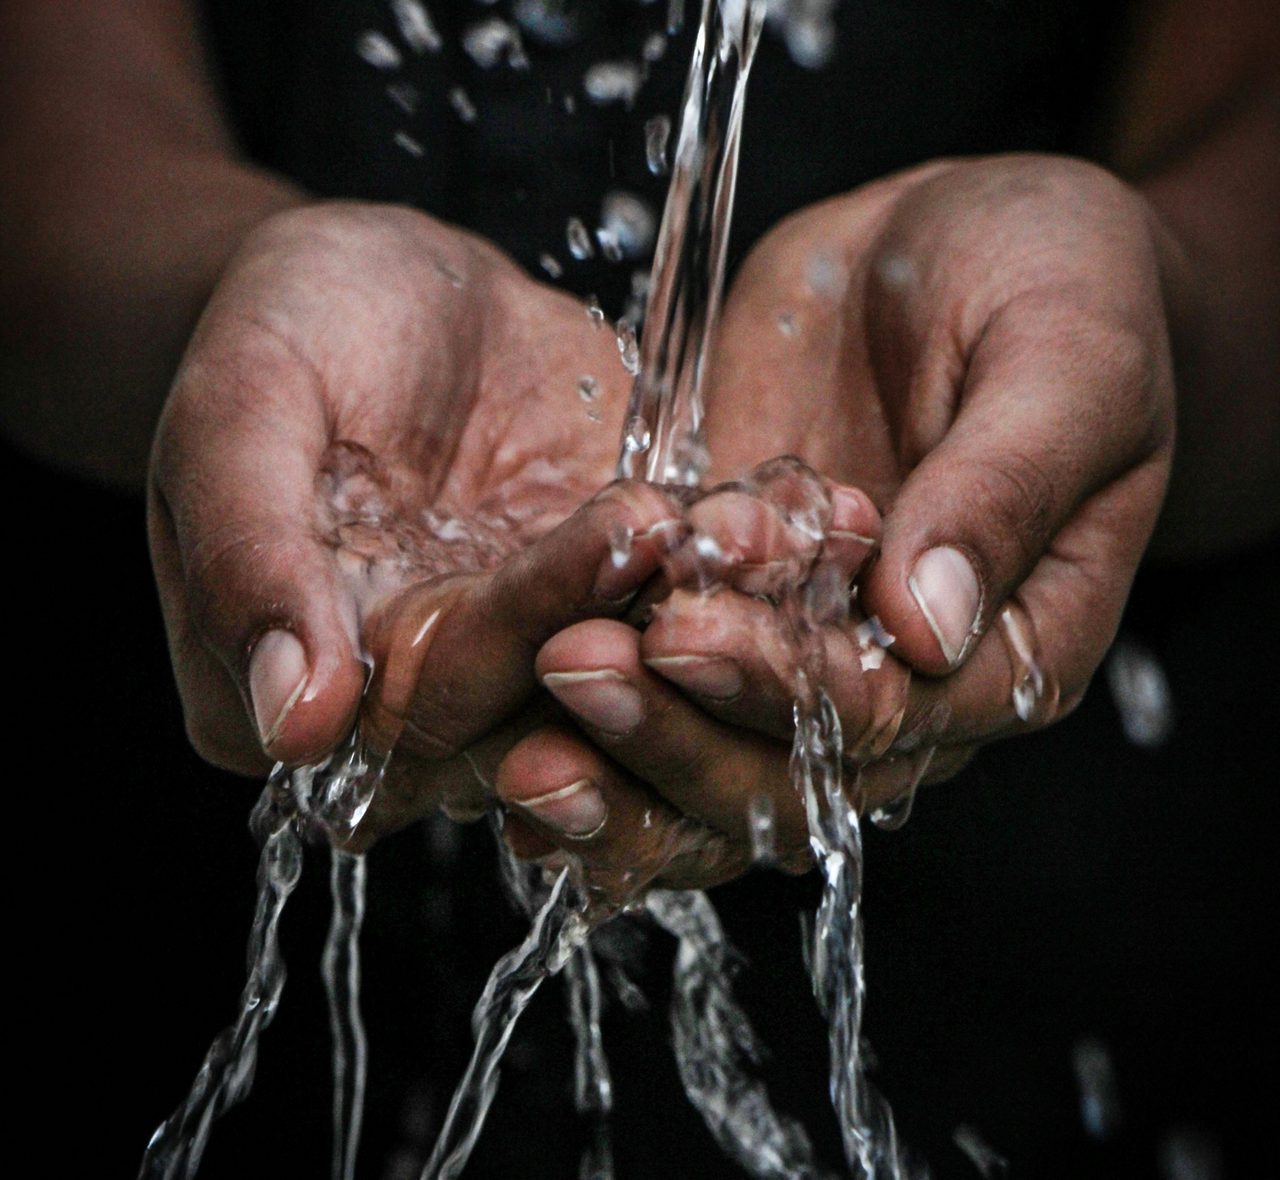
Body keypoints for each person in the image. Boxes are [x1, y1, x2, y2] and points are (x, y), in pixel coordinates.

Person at [1, 1, 1276, 1175]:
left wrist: (1148, 307)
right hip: (151, 847)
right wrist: (217, 311)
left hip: (1029, 902)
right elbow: (52, 137)